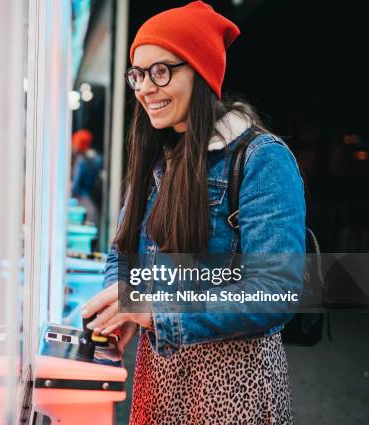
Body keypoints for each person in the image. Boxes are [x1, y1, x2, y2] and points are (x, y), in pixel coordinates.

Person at [81, 2, 305, 423]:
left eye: (160, 71)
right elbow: (121, 252)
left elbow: (277, 289)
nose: (145, 87)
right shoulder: (156, 157)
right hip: (159, 373)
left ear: (200, 72)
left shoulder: (261, 158)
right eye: (137, 74)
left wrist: (156, 309)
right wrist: (123, 303)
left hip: (233, 382)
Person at [71, 129, 103, 224]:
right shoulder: (93, 159)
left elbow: (76, 185)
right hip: (89, 200)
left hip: (81, 201)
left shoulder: (81, 161)